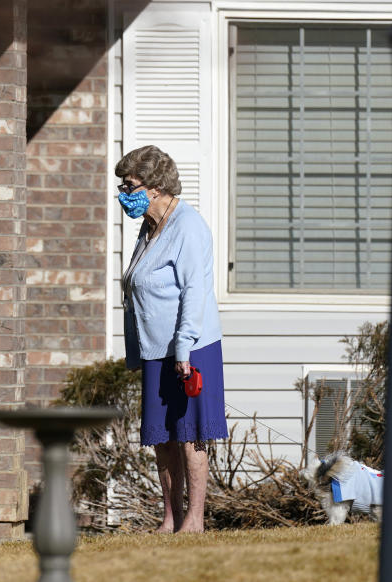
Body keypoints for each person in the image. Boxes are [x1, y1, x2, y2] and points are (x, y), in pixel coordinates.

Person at [116, 145, 227, 533]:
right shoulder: (149, 229)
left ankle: (194, 521)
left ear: (156, 187)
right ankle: (170, 518)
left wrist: (183, 349)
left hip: (191, 347)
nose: (123, 193)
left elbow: (195, 293)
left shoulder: (188, 226)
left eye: (129, 185)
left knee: (190, 435)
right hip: (155, 351)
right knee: (163, 438)